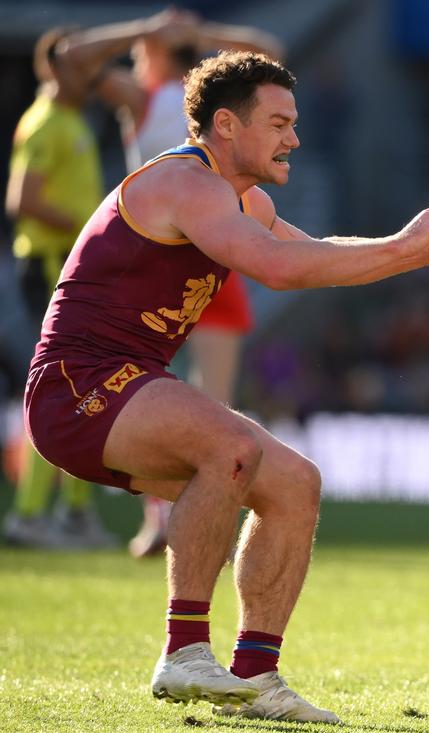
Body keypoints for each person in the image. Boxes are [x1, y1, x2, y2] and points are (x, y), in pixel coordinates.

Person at [23, 51, 429, 723]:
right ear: (225, 124)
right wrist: (404, 246)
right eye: (278, 122)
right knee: (232, 446)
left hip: (131, 386)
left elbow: (315, 257)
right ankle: (184, 653)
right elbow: (276, 268)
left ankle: (256, 678)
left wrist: (412, 252)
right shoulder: (187, 183)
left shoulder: (245, 197)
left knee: (295, 484)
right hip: (78, 387)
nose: (294, 139)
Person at [58, 9, 284, 558]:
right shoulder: (149, 97)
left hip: (205, 255)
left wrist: (182, 36)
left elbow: (268, 52)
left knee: (210, 403)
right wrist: (154, 30)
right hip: (161, 255)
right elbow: (66, 61)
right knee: (157, 390)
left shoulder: (205, 106)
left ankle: (197, 515)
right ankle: (163, 519)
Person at [3, 27, 114, 549]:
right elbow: (21, 198)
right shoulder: (46, 122)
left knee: (77, 387)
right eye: (80, 63)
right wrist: (84, 224)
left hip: (63, 263)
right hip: (49, 261)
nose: (90, 74)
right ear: (53, 67)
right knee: (59, 388)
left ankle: (71, 512)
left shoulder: (71, 119)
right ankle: (31, 514)